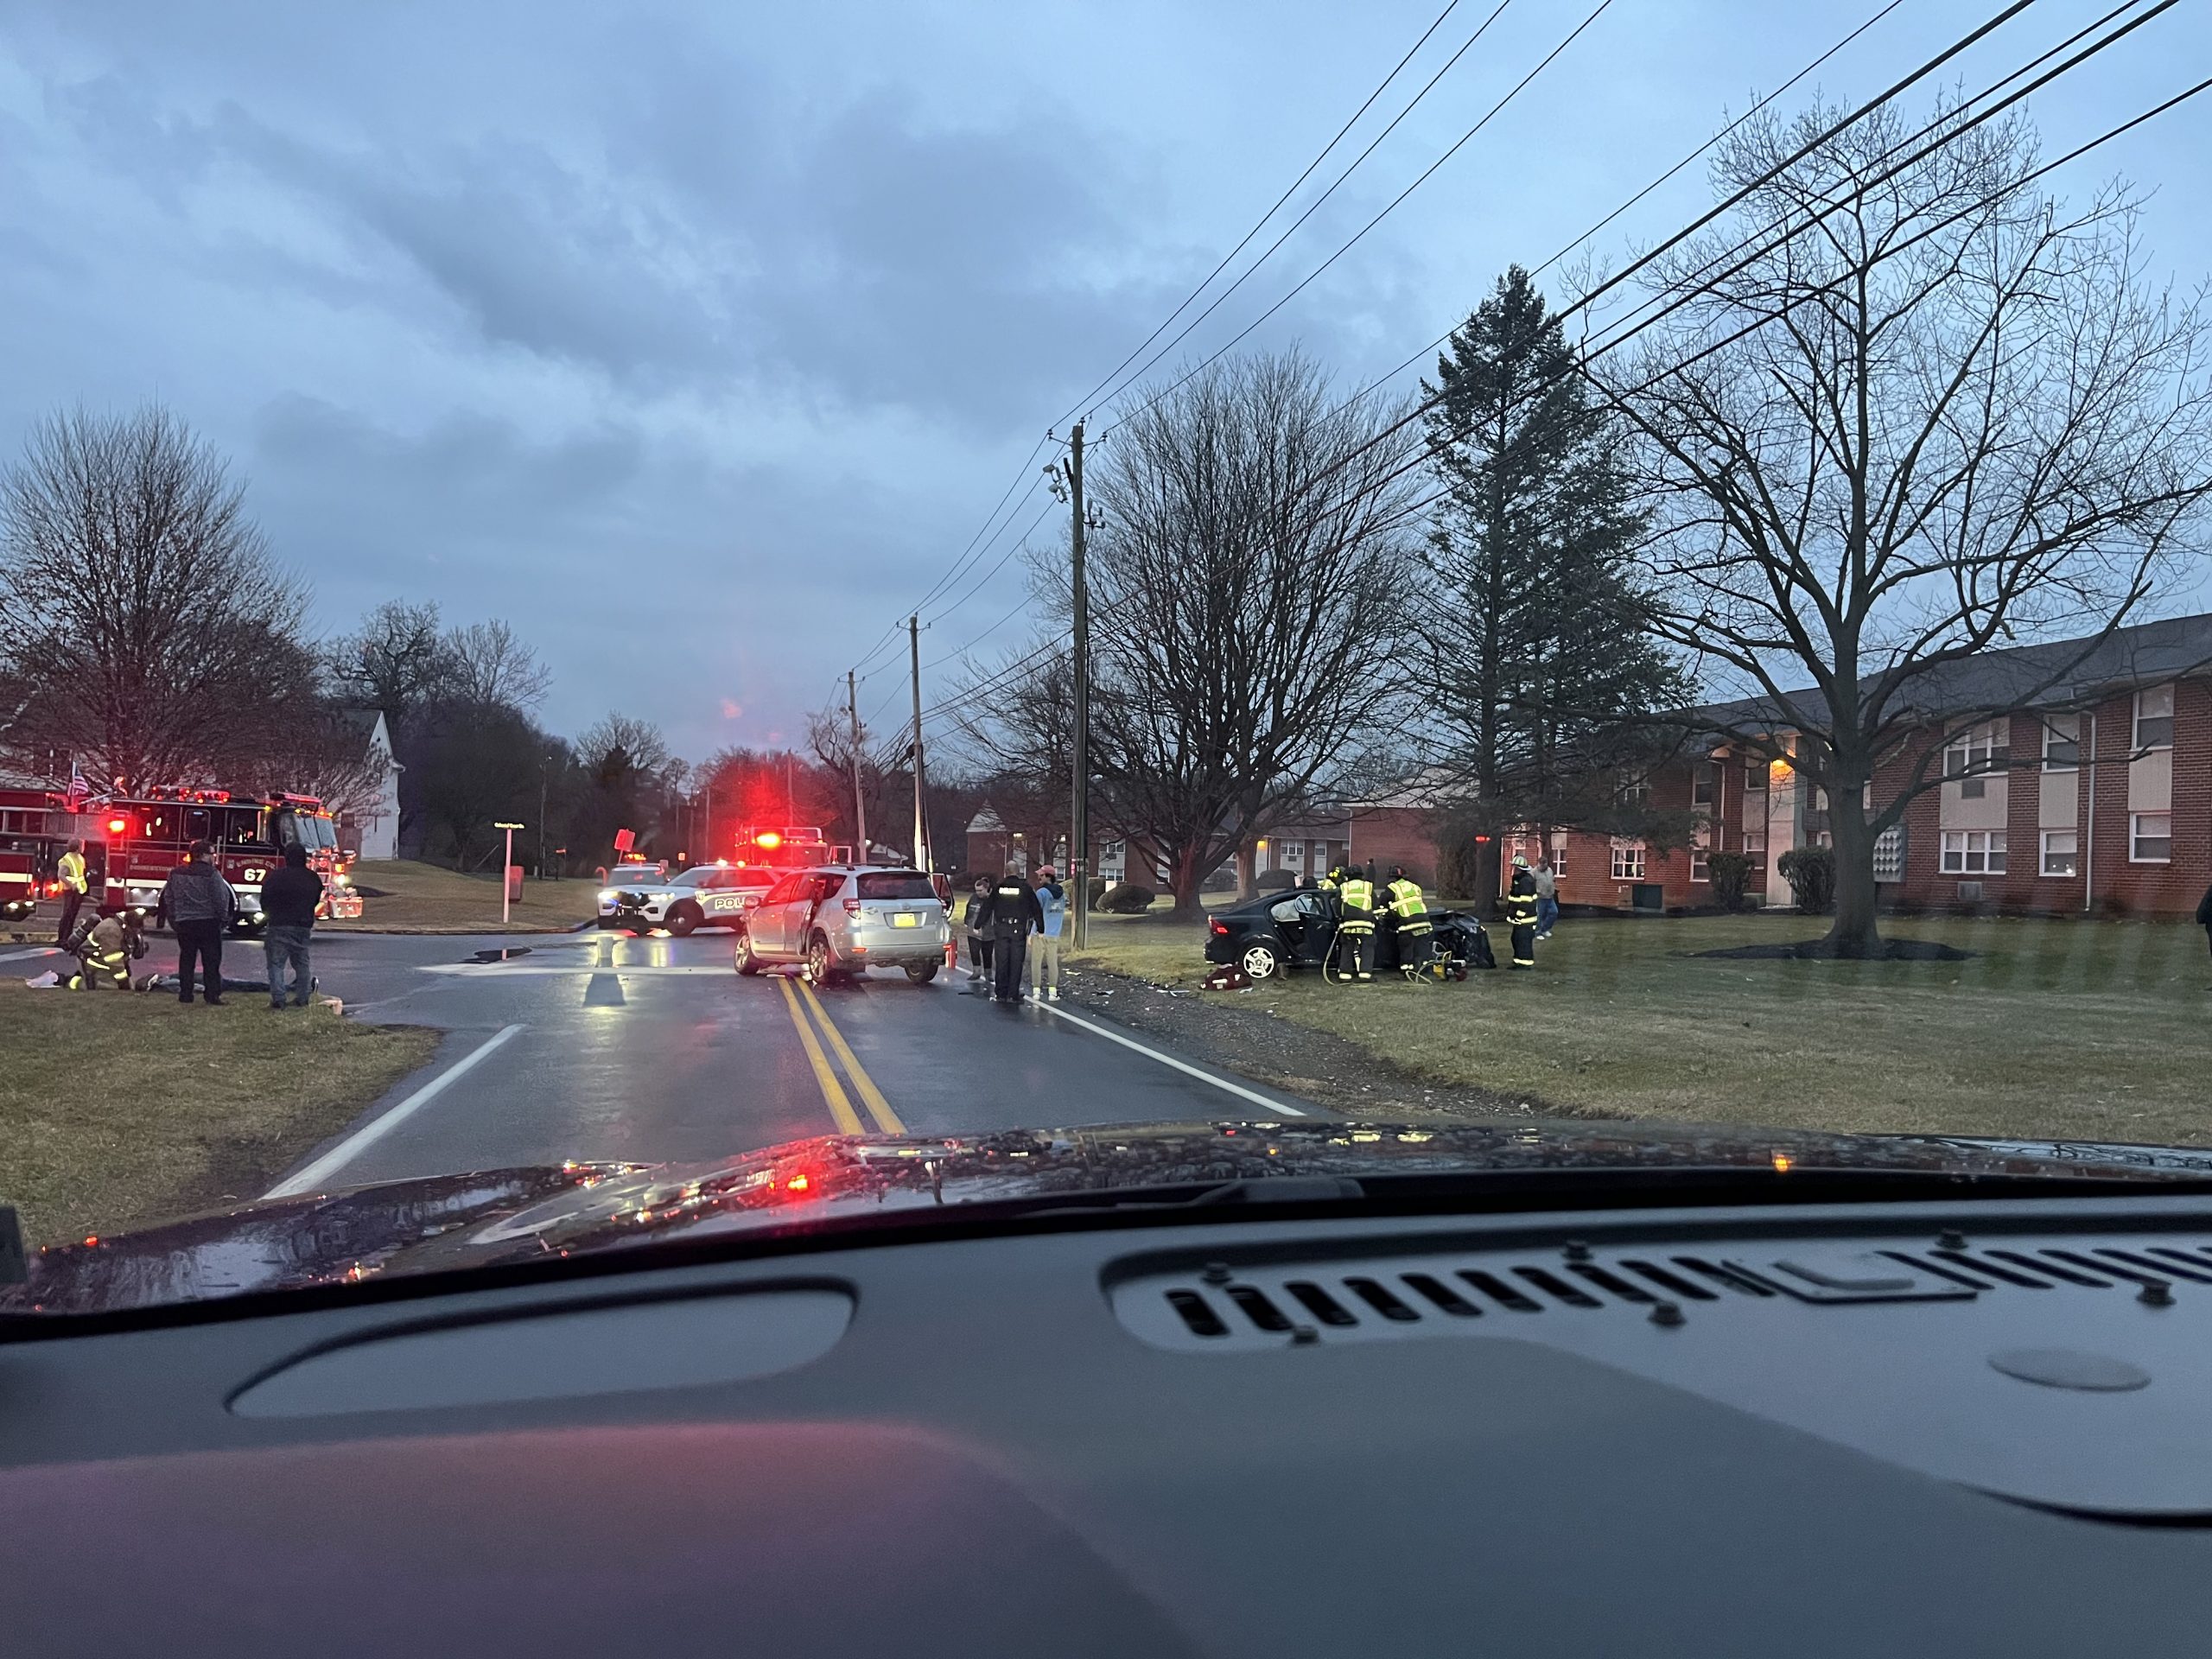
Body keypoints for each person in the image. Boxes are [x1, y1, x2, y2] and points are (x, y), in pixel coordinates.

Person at [156, 839, 236, 1006]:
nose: (213, 857)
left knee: (187, 959)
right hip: (208, 923)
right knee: (211, 961)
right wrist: (224, 919)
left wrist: (174, 917)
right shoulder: (212, 874)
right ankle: (212, 995)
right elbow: (220, 899)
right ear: (203, 855)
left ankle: (186, 994)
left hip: (185, 923)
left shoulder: (176, 873)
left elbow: (169, 898)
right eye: (212, 854)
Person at [260, 842, 325, 1011]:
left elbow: (265, 899)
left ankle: (279, 999)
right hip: (303, 926)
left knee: (276, 964)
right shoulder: (312, 878)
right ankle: (302, 998)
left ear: (287, 858)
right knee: (302, 964)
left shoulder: (276, 877)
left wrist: (269, 913)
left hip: (278, 924)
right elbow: (316, 899)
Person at [982, 868, 1043, 1005]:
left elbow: (987, 907)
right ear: (1018, 872)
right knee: (1016, 962)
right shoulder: (1025, 888)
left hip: (1001, 928)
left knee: (1001, 961)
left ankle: (1001, 993)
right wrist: (1041, 928)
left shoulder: (999, 887)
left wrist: (978, 924)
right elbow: (1036, 909)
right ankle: (1012, 994)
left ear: (1005, 872)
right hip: (1018, 929)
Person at [65, 908, 146, 992]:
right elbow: (112, 958)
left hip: (103, 962)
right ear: (126, 925)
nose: (134, 933)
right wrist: (122, 981)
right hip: (92, 962)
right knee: (111, 988)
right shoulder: (111, 931)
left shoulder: (120, 927)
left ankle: (89, 979)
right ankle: (75, 982)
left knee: (129, 986)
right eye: (134, 930)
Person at [1385, 866, 1432, 978]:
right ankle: (1426, 967)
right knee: (1422, 944)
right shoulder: (1415, 886)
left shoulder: (1393, 887)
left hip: (1408, 921)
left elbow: (1384, 901)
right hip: (1424, 920)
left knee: (1406, 945)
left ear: (1392, 878)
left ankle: (1407, 971)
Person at [1333, 866, 1377, 982]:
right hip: (1366, 924)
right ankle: (1365, 975)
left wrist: (1341, 917)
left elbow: (1337, 906)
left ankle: (1345, 976)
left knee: (1347, 947)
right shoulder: (1368, 886)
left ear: (1348, 876)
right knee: (1367, 948)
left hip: (1349, 924)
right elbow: (1375, 904)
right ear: (1361, 875)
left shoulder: (1344, 887)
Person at [1029, 864, 1067, 1002]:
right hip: (1054, 933)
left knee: (1036, 962)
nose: (1039, 877)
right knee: (1052, 963)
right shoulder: (1062, 894)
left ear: (1048, 876)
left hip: (1040, 933)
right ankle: (1052, 991)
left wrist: (1032, 933)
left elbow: (1037, 914)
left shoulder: (1041, 893)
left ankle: (1036, 991)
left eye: (1041, 875)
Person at [1503, 856, 1540, 970]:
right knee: (1516, 939)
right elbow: (1514, 899)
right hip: (1520, 919)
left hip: (1526, 919)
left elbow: (1525, 902)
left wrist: (1518, 917)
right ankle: (1518, 962)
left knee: (1523, 941)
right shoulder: (1519, 880)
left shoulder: (1526, 882)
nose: (1513, 869)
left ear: (1519, 869)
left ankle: (1525, 964)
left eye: (1515, 867)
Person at [960, 875, 995, 995]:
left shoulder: (991, 900)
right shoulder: (973, 898)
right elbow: (968, 909)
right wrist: (967, 921)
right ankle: (976, 972)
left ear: (986, 889)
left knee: (987, 953)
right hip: (973, 931)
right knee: (974, 952)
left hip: (988, 931)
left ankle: (988, 974)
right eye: (977, 890)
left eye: (980, 890)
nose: (978, 893)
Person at [54, 838, 89, 945]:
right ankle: (61, 939)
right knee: (67, 914)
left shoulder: (81, 858)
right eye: (82, 845)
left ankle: (68, 938)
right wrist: (71, 885)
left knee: (73, 914)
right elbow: (61, 875)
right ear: (77, 847)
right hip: (70, 890)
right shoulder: (66, 859)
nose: (84, 847)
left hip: (79, 890)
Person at [1532, 855, 1559, 941]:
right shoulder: (1534, 872)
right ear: (1539, 864)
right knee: (1539, 916)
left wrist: (1554, 887)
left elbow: (1553, 880)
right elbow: (1531, 884)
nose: (1544, 866)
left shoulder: (1549, 870)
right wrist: (1536, 891)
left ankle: (1545, 929)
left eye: (1545, 864)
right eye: (1542, 865)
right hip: (1540, 898)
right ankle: (1538, 933)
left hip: (1550, 897)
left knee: (1554, 912)